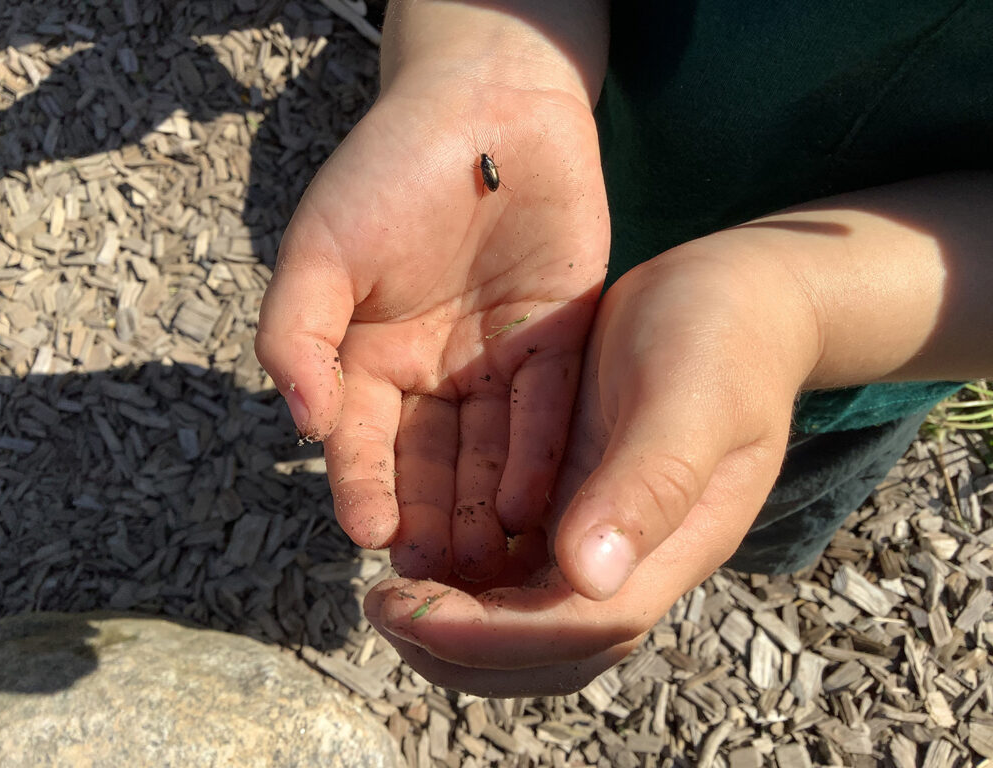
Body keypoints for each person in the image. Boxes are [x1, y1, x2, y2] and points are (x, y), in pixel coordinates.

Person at [255, 0, 993, 697]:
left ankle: (757, 552)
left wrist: (799, 311)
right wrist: (483, 61)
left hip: (863, 349)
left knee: (754, 500)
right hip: (559, 177)